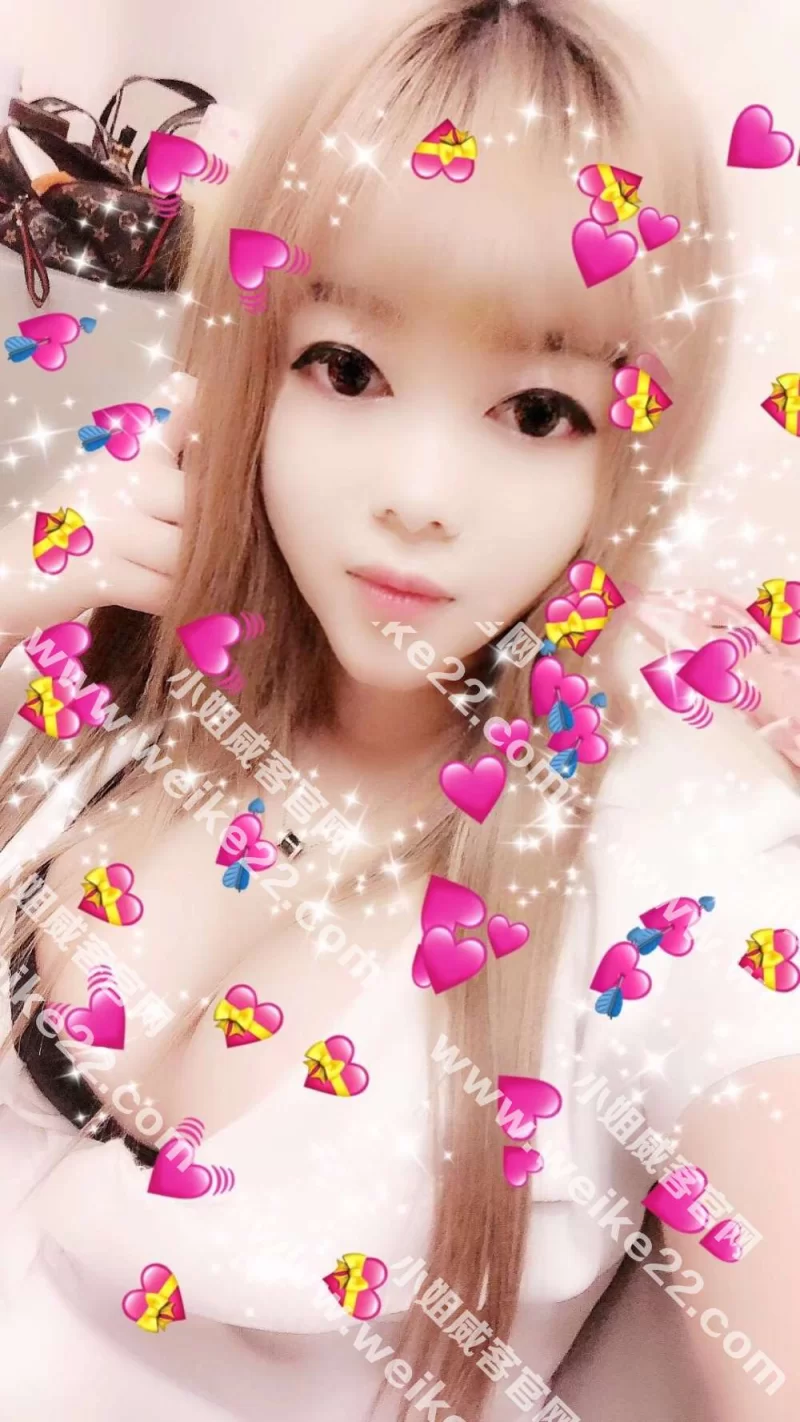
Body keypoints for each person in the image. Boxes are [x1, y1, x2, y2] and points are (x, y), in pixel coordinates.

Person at [0, 2, 797, 1419]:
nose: (420, 496)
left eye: (540, 410)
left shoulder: (676, 872)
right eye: (347, 369)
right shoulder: (135, 671)